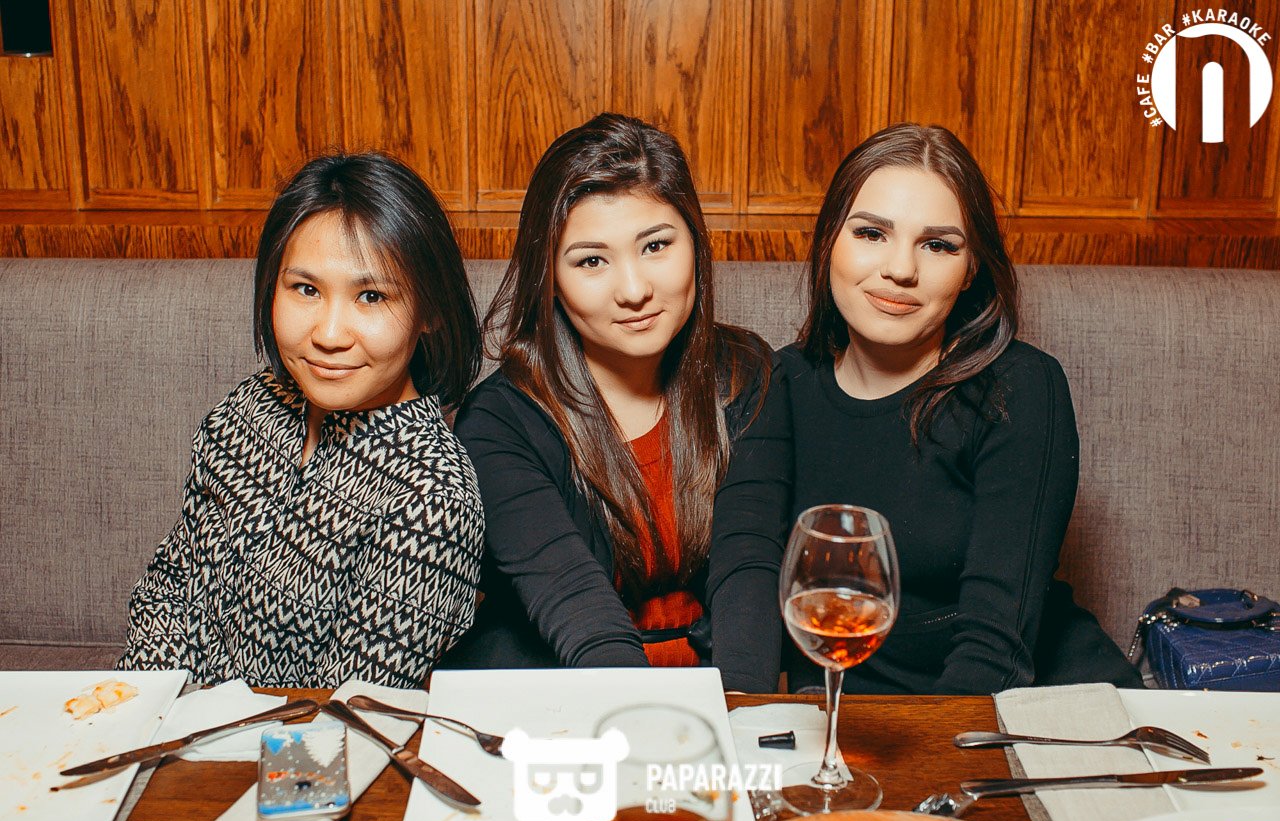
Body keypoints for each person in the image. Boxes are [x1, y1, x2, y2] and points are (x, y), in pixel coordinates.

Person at [781, 123, 1141, 694]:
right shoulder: (781, 383)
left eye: (938, 245)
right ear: (829, 241)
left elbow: (994, 654)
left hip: (1029, 709)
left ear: (971, 268)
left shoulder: (1019, 388)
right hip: (861, 722)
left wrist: (919, 752)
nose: (901, 269)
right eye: (872, 233)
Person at [441, 113, 790, 693]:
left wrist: (735, 722)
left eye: (655, 245)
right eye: (591, 261)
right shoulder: (501, 420)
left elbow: (749, 566)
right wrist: (647, 727)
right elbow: (578, 610)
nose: (634, 290)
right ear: (550, 277)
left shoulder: (745, 373)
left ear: (695, 243)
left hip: (715, 693)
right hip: (564, 698)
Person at [118, 153, 485, 689]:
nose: (329, 334)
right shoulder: (248, 409)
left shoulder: (431, 497)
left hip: (302, 744)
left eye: (371, 296)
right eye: (306, 289)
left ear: (429, 311)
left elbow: (348, 710)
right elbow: (170, 590)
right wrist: (146, 713)